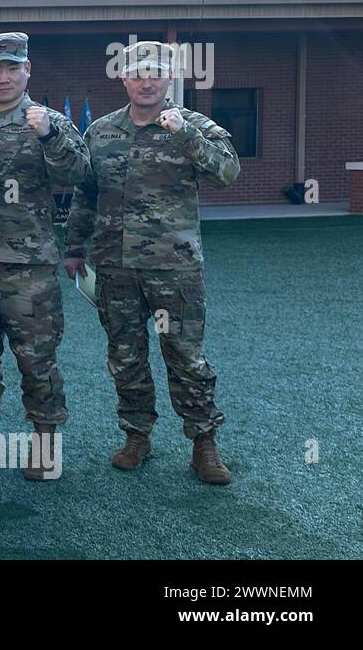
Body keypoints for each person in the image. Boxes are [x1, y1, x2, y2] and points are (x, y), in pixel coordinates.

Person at [64, 40, 240, 484]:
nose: (147, 81)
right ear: (123, 78)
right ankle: (136, 435)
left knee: (184, 354)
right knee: (125, 355)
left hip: (173, 268)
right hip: (114, 267)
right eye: (137, 74)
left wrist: (185, 134)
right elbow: (86, 194)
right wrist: (73, 247)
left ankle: (204, 443)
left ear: (169, 79)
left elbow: (227, 173)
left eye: (156, 74)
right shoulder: (100, 132)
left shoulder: (192, 125)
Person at [0, 32, 89, 480]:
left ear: (27, 70)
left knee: (36, 357)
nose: (4, 76)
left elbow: (79, 174)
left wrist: (49, 136)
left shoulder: (47, 120)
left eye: (13, 67)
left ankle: (45, 442)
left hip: (28, 264)